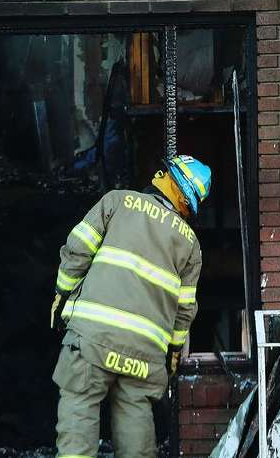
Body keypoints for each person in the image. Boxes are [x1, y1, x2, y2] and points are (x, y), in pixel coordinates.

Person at [50, 154, 211, 458]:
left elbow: (77, 251)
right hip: (143, 355)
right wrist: (173, 353)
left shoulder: (118, 202)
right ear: (188, 203)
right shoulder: (191, 245)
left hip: (92, 340)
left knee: (79, 410)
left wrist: (61, 295)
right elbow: (184, 310)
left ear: (168, 180)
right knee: (135, 422)